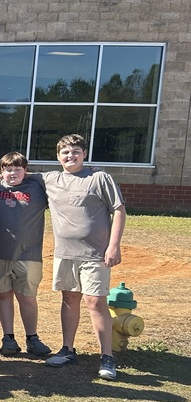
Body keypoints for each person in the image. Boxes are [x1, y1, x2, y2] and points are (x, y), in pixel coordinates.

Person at [41, 134, 126, 379]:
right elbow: (18, 175)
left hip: (94, 254)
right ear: (58, 157)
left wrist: (114, 246)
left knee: (95, 302)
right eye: (65, 153)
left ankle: (107, 357)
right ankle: (67, 349)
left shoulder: (99, 178)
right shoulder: (51, 179)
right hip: (65, 254)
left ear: (84, 154)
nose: (70, 156)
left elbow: (119, 210)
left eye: (75, 151)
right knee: (69, 299)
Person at [0, 151, 52, 357]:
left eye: (17, 169)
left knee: (27, 297)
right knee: (4, 295)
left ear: (26, 170)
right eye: (7, 169)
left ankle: (32, 338)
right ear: (1, 171)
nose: (12, 173)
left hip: (29, 254)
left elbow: (48, 175)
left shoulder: (38, 188)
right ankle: (8, 338)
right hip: (0, 254)